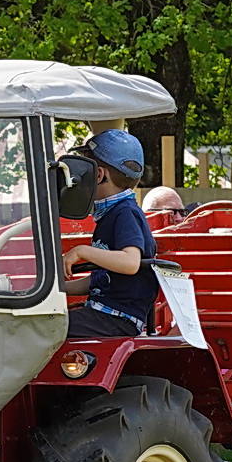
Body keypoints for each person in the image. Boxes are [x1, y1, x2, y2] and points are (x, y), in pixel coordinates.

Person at [54, 130, 159, 338]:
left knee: (46, 330)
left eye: (85, 173)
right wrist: (57, 289)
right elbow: (100, 282)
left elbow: (130, 263)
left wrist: (83, 251)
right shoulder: (110, 214)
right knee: (46, 322)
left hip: (117, 319)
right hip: (105, 315)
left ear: (99, 175)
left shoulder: (125, 212)